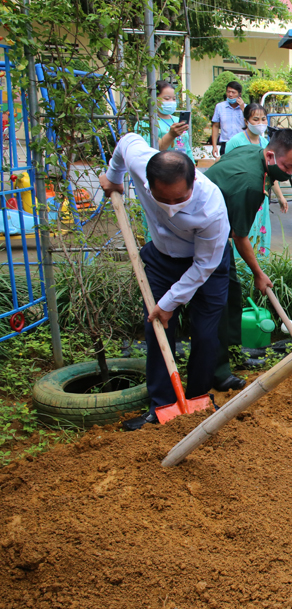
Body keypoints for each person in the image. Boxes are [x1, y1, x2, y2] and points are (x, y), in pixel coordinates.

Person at [99, 134, 230, 430]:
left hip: (204, 266)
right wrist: (113, 177)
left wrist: (171, 302)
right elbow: (126, 142)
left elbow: (204, 265)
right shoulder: (142, 163)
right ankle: (161, 405)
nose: (172, 206)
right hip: (161, 259)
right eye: (164, 199)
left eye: (179, 199)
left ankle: (197, 401)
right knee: (156, 327)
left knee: (206, 333)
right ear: (148, 183)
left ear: (193, 181)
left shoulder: (212, 208)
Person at [204, 128, 292, 392]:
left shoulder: (255, 152)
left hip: (214, 232)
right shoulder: (249, 185)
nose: (290, 173)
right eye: (288, 166)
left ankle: (233, 356)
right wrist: (259, 273)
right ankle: (217, 373)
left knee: (232, 295)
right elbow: (240, 237)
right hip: (201, 237)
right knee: (218, 304)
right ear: (271, 155)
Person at [224, 103, 290, 257]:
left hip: (261, 198)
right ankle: (242, 272)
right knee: (242, 233)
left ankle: (260, 271)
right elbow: (227, 170)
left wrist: (280, 197)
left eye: (263, 119)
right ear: (246, 121)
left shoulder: (266, 143)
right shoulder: (235, 142)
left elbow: (270, 174)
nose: (260, 123)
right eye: (255, 119)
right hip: (241, 197)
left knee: (260, 233)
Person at [136, 80, 193, 159]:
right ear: (154, 99)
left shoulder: (177, 120)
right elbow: (149, 153)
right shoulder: (146, 122)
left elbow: (187, 147)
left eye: (174, 99)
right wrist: (171, 135)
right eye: (166, 99)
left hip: (182, 166)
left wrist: (192, 165)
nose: (171, 102)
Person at [211, 80, 246, 158]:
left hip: (242, 144)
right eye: (228, 92)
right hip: (226, 143)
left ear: (239, 94)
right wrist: (214, 146)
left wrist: (243, 109)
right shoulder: (220, 107)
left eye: (233, 92)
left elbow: (250, 124)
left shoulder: (246, 107)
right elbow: (215, 126)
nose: (230, 95)